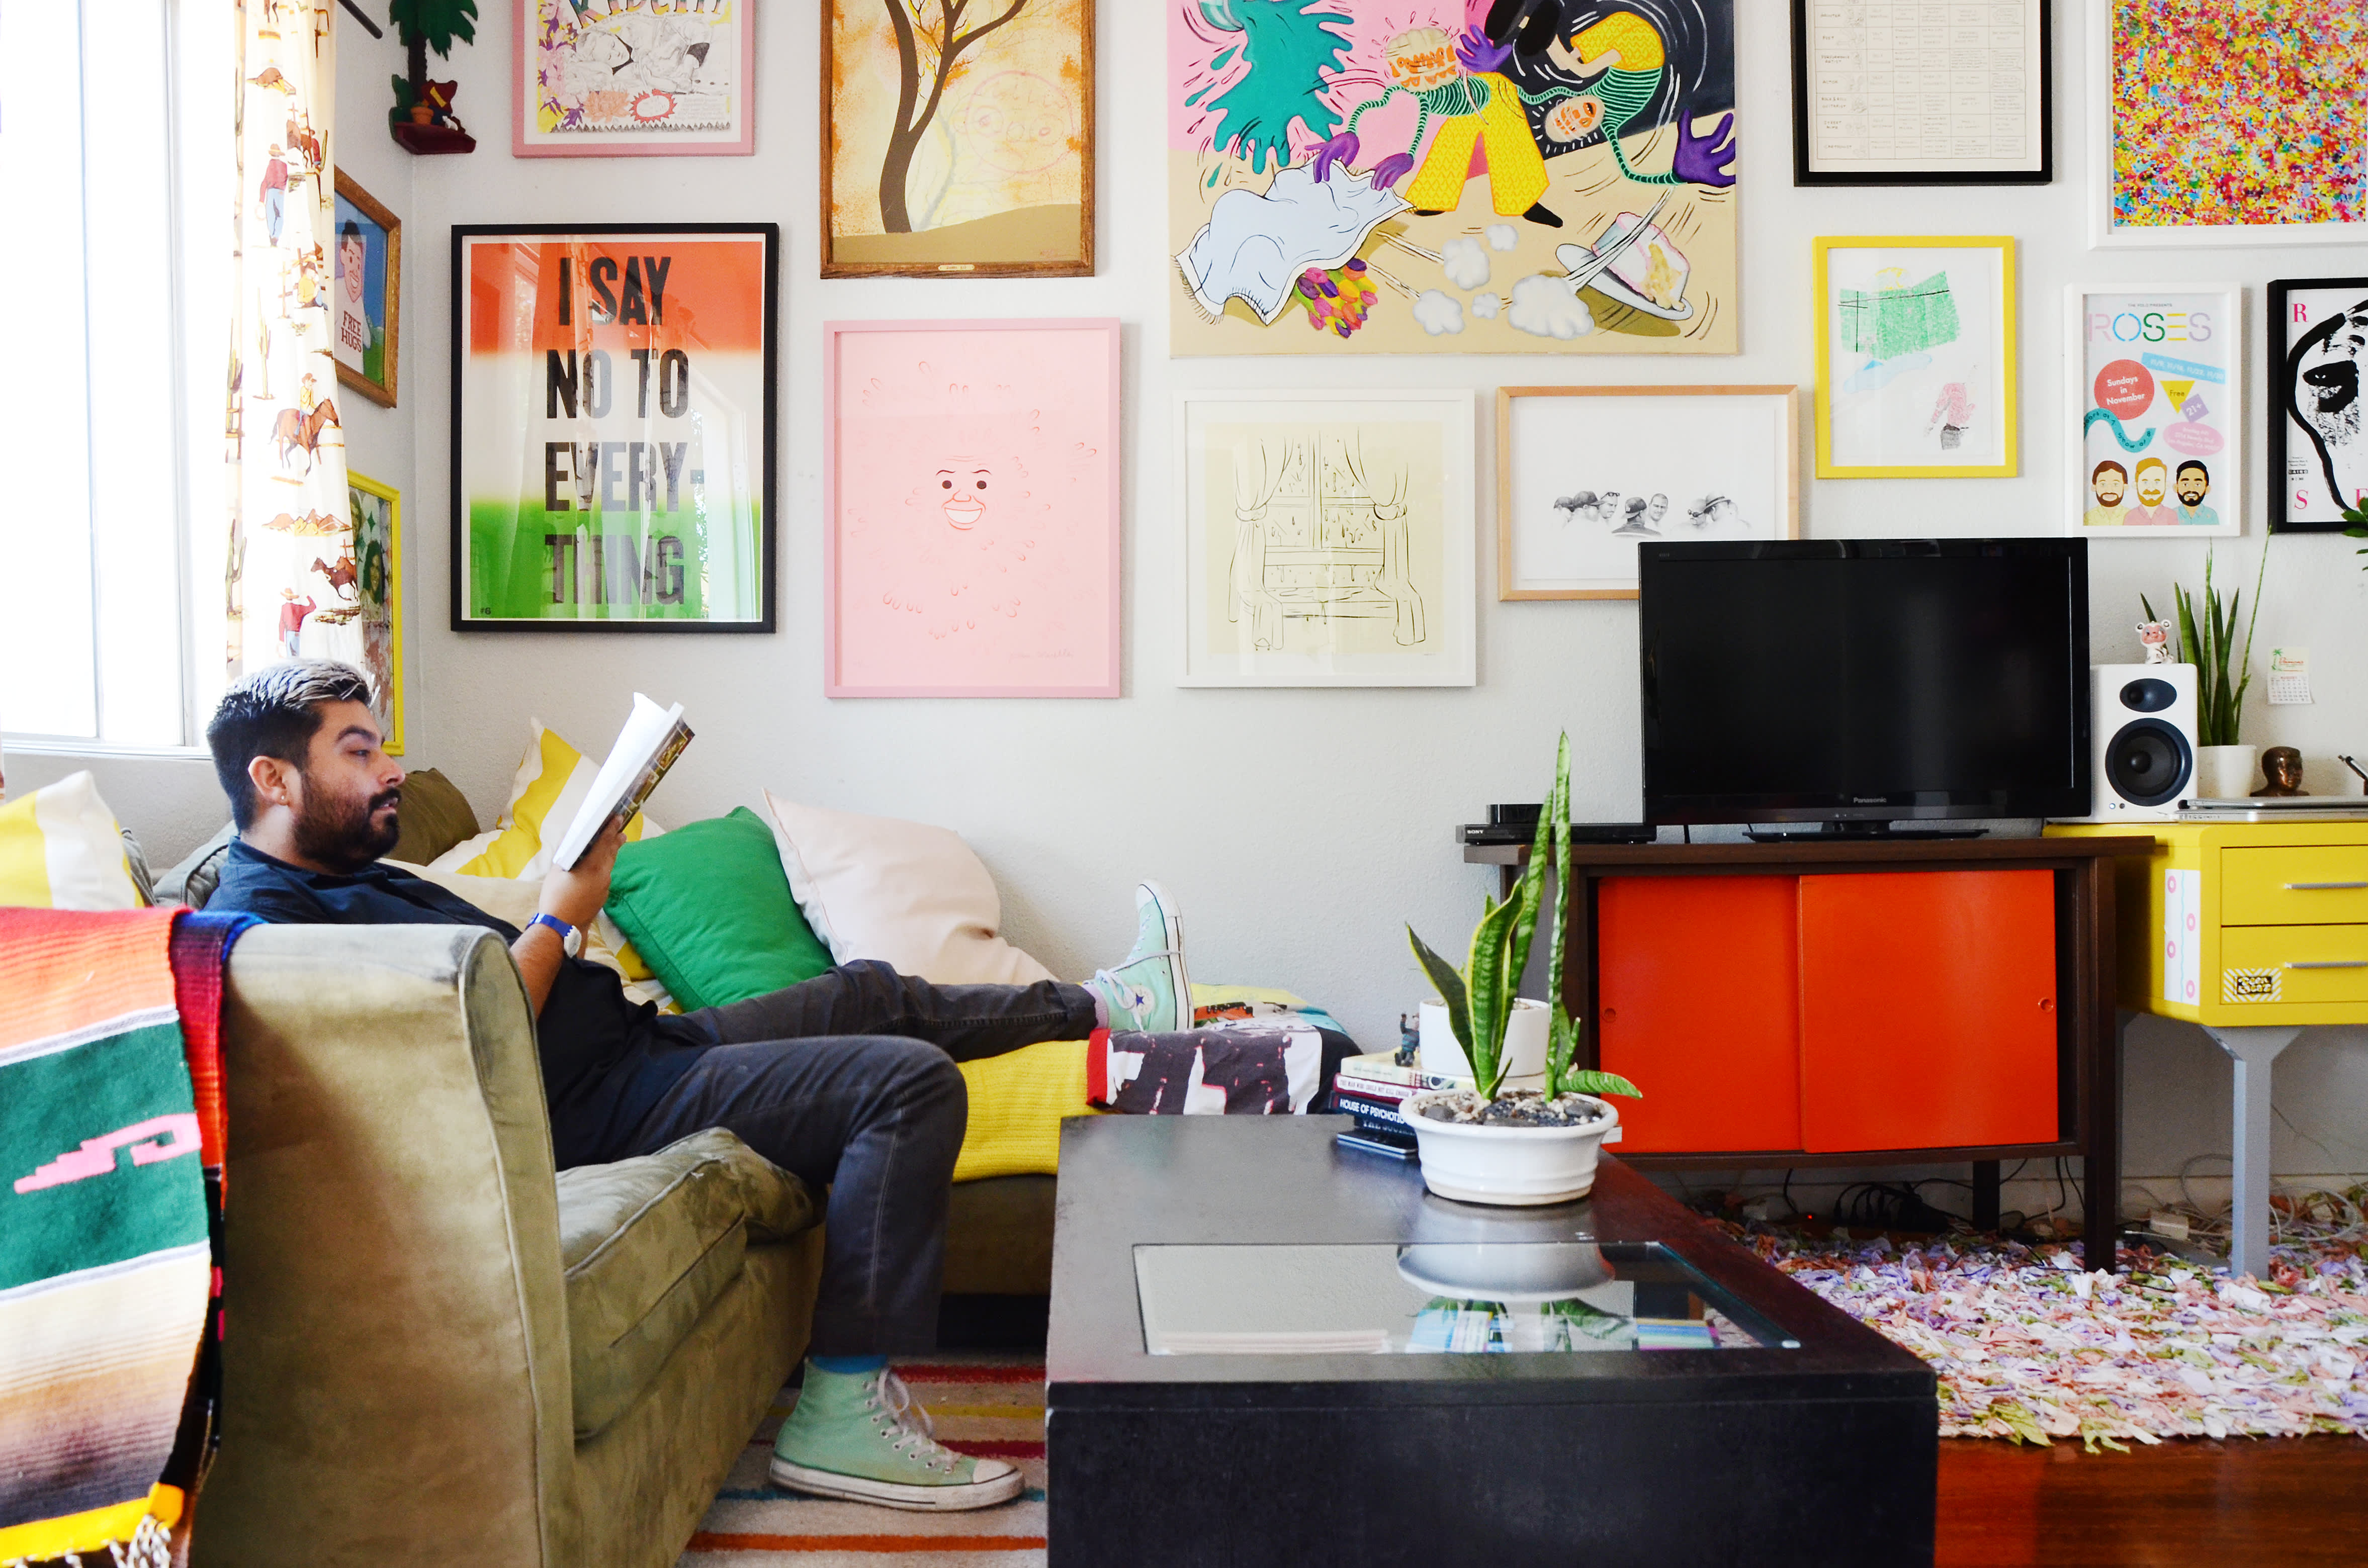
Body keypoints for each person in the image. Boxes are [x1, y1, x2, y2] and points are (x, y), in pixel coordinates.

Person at [203, 662, 1204, 1513]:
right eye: (359, 751)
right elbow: (469, 1031)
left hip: (632, 1050)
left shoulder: (348, 875)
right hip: (589, 1111)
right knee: (904, 1085)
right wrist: (561, 916)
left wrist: (569, 900)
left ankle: (1108, 1006)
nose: (391, 769)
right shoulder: (270, 928)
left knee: (864, 992)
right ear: (271, 777)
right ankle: (839, 1415)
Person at [2125, 457, 2176, 525]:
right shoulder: (2131, 516)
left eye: (2157, 482)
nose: (2151, 488)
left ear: (2166, 485)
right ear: (2136, 485)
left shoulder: (2171, 515)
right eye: (2145, 482)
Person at [2173, 459, 2220, 527]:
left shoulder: (2211, 515)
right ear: (2176, 488)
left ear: (2207, 489)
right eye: (2186, 484)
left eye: (2197, 484)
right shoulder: (2171, 515)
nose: (2191, 489)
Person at [2084, 460, 2130, 528]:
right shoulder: (2088, 517)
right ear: (2094, 487)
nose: (2109, 491)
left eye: (2115, 484)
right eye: (2103, 484)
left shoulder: (2131, 516)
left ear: (2125, 487)